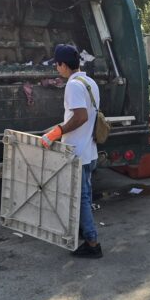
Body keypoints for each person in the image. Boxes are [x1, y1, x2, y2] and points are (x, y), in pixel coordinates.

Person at [41, 44, 104, 255]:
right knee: (82, 196)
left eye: (57, 65)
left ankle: (92, 243)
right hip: (89, 150)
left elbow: (80, 117)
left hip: (77, 152)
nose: (56, 69)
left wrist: (57, 131)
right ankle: (83, 231)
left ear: (62, 64)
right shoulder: (89, 82)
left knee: (81, 198)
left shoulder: (73, 85)